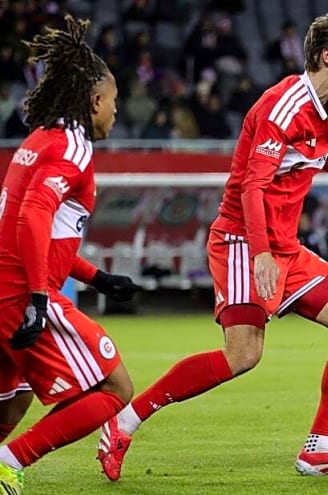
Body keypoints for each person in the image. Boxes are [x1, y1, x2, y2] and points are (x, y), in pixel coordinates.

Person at [96, 14, 328, 480]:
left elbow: (326, 156)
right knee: (242, 355)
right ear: (327, 57)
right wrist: (261, 253)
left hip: (284, 246)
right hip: (244, 241)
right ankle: (123, 423)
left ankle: (319, 448)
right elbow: (251, 187)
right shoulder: (282, 107)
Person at [0, 15, 143, 493]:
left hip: (7, 285)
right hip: (20, 294)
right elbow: (34, 217)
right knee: (115, 389)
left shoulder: (38, 141)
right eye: (115, 103)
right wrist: (41, 298)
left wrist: (96, 278)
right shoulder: (74, 147)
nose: (116, 113)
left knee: (12, 403)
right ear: (95, 101)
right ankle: (9, 461)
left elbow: (34, 233)